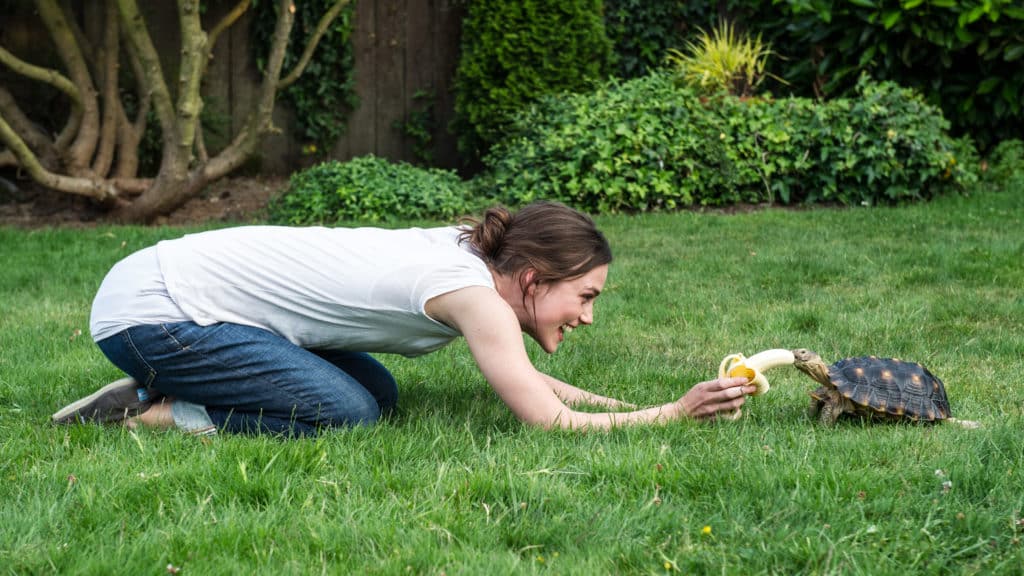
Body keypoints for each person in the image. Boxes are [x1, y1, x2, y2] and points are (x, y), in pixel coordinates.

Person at [52, 201, 755, 436]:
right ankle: (155, 413)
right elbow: (547, 419)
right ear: (534, 281)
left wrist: (646, 404)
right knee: (349, 412)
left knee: (380, 394)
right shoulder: (475, 295)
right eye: (587, 296)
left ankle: (161, 392)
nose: (589, 316)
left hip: (175, 291)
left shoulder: (477, 267)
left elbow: (538, 386)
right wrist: (671, 414)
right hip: (157, 311)